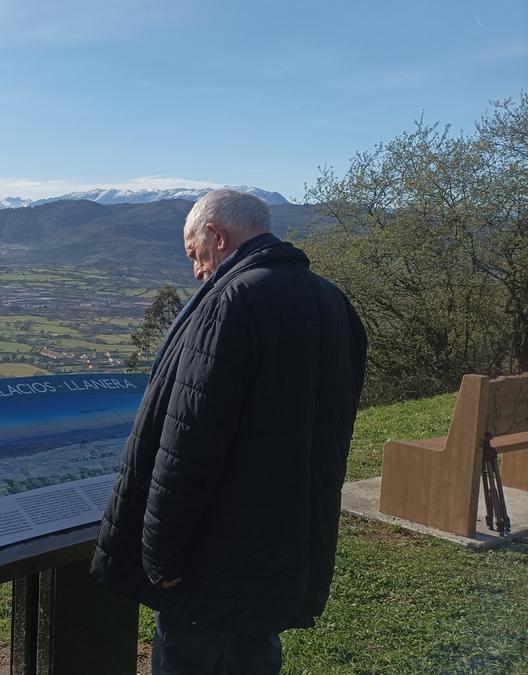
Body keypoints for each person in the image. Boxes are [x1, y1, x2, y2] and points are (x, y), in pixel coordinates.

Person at [90, 189, 367, 674]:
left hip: (211, 560)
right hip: (283, 548)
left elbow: (187, 444)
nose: (197, 271)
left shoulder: (230, 301)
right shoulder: (333, 301)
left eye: (195, 254)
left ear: (216, 236)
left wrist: (160, 556)